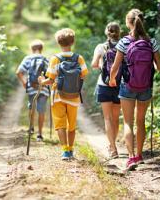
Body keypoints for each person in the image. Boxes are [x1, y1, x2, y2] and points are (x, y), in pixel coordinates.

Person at [109, 9, 160, 170]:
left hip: (127, 85)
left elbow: (115, 67)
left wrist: (112, 79)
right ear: (142, 21)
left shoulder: (124, 42)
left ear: (127, 22)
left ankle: (131, 157)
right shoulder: (151, 42)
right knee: (141, 121)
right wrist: (148, 67)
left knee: (128, 122)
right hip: (145, 86)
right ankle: (140, 156)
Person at [38, 28, 89, 160]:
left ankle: (65, 151)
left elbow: (50, 79)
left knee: (60, 124)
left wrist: (41, 82)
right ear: (72, 42)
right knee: (71, 125)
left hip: (58, 96)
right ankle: (71, 149)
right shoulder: (79, 58)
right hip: (74, 96)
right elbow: (84, 75)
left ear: (58, 43)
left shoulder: (55, 59)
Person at [91, 22, 122, 159]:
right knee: (116, 118)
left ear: (107, 32)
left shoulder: (101, 47)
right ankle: (112, 144)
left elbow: (94, 64)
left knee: (107, 118)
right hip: (120, 85)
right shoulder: (124, 45)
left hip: (104, 85)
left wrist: (102, 68)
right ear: (119, 32)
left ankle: (113, 148)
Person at [16, 39, 49, 142]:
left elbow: (19, 72)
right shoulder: (45, 59)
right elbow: (50, 74)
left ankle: (31, 128)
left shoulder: (28, 58)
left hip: (31, 88)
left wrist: (24, 83)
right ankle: (40, 134)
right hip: (43, 88)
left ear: (31, 49)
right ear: (41, 49)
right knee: (41, 110)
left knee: (31, 108)